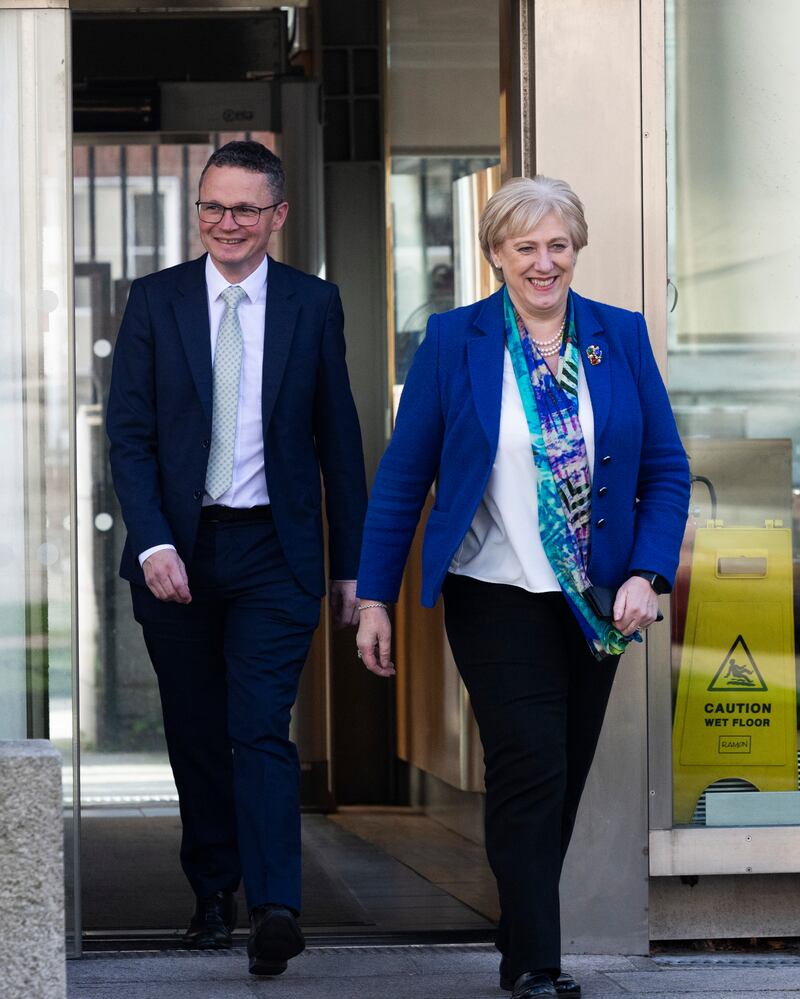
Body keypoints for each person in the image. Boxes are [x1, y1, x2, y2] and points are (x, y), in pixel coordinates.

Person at [355, 176, 689, 999]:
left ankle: (521, 921)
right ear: (496, 255)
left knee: (561, 771)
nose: (544, 263)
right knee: (530, 762)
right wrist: (373, 598)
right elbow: (402, 478)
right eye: (525, 247)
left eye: (558, 245)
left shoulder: (619, 335)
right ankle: (536, 960)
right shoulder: (455, 340)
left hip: (597, 600)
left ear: (577, 249)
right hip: (493, 593)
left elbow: (664, 467)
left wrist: (646, 572)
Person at [107, 140, 366, 976]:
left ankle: (275, 907)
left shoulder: (312, 304)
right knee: (195, 730)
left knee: (259, 726)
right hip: (175, 550)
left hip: (273, 550)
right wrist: (153, 540)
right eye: (213, 206)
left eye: (245, 209)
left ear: (277, 215)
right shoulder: (154, 300)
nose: (227, 222)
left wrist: (352, 567)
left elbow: (339, 442)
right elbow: (129, 436)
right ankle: (213, 890)